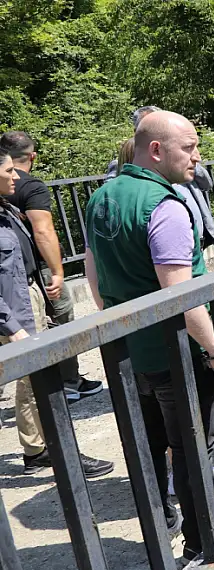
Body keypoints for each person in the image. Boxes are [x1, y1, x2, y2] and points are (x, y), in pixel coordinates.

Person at [85, 111, 214, 565]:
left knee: (146, 446)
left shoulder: (102, 197)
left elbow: (93, 276)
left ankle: (160, 534)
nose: (197, 156)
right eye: (189, 147)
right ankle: (203, 545)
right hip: (174, 353)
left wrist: (115, 319)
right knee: (190, 446)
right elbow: (181, 296)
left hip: (129, 351)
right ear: (156, 150)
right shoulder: (164, 205)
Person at [0, 146, 114, 477]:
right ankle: (53, 451)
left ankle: (39, 450)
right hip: (12, 316)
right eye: (8, 171)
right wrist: (12, 326)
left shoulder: (6, 209)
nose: (15, 176)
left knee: (35, 379)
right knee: (40, 378)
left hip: (23, 304)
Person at [0, 131, 105, 403]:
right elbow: (43, 231)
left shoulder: (9, 186)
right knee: (60, 317)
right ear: (33, 156)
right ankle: (69, 381)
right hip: (31, 271)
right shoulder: (30, 186)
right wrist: (57, 272)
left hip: (7, 272)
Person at [107, 105, 214, 252]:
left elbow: (207, 183)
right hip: (167, 243)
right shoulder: (121, 171)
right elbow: (113, 199)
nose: (196, 156)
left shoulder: (181, 163)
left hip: (195, 240)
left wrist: (187, 163)